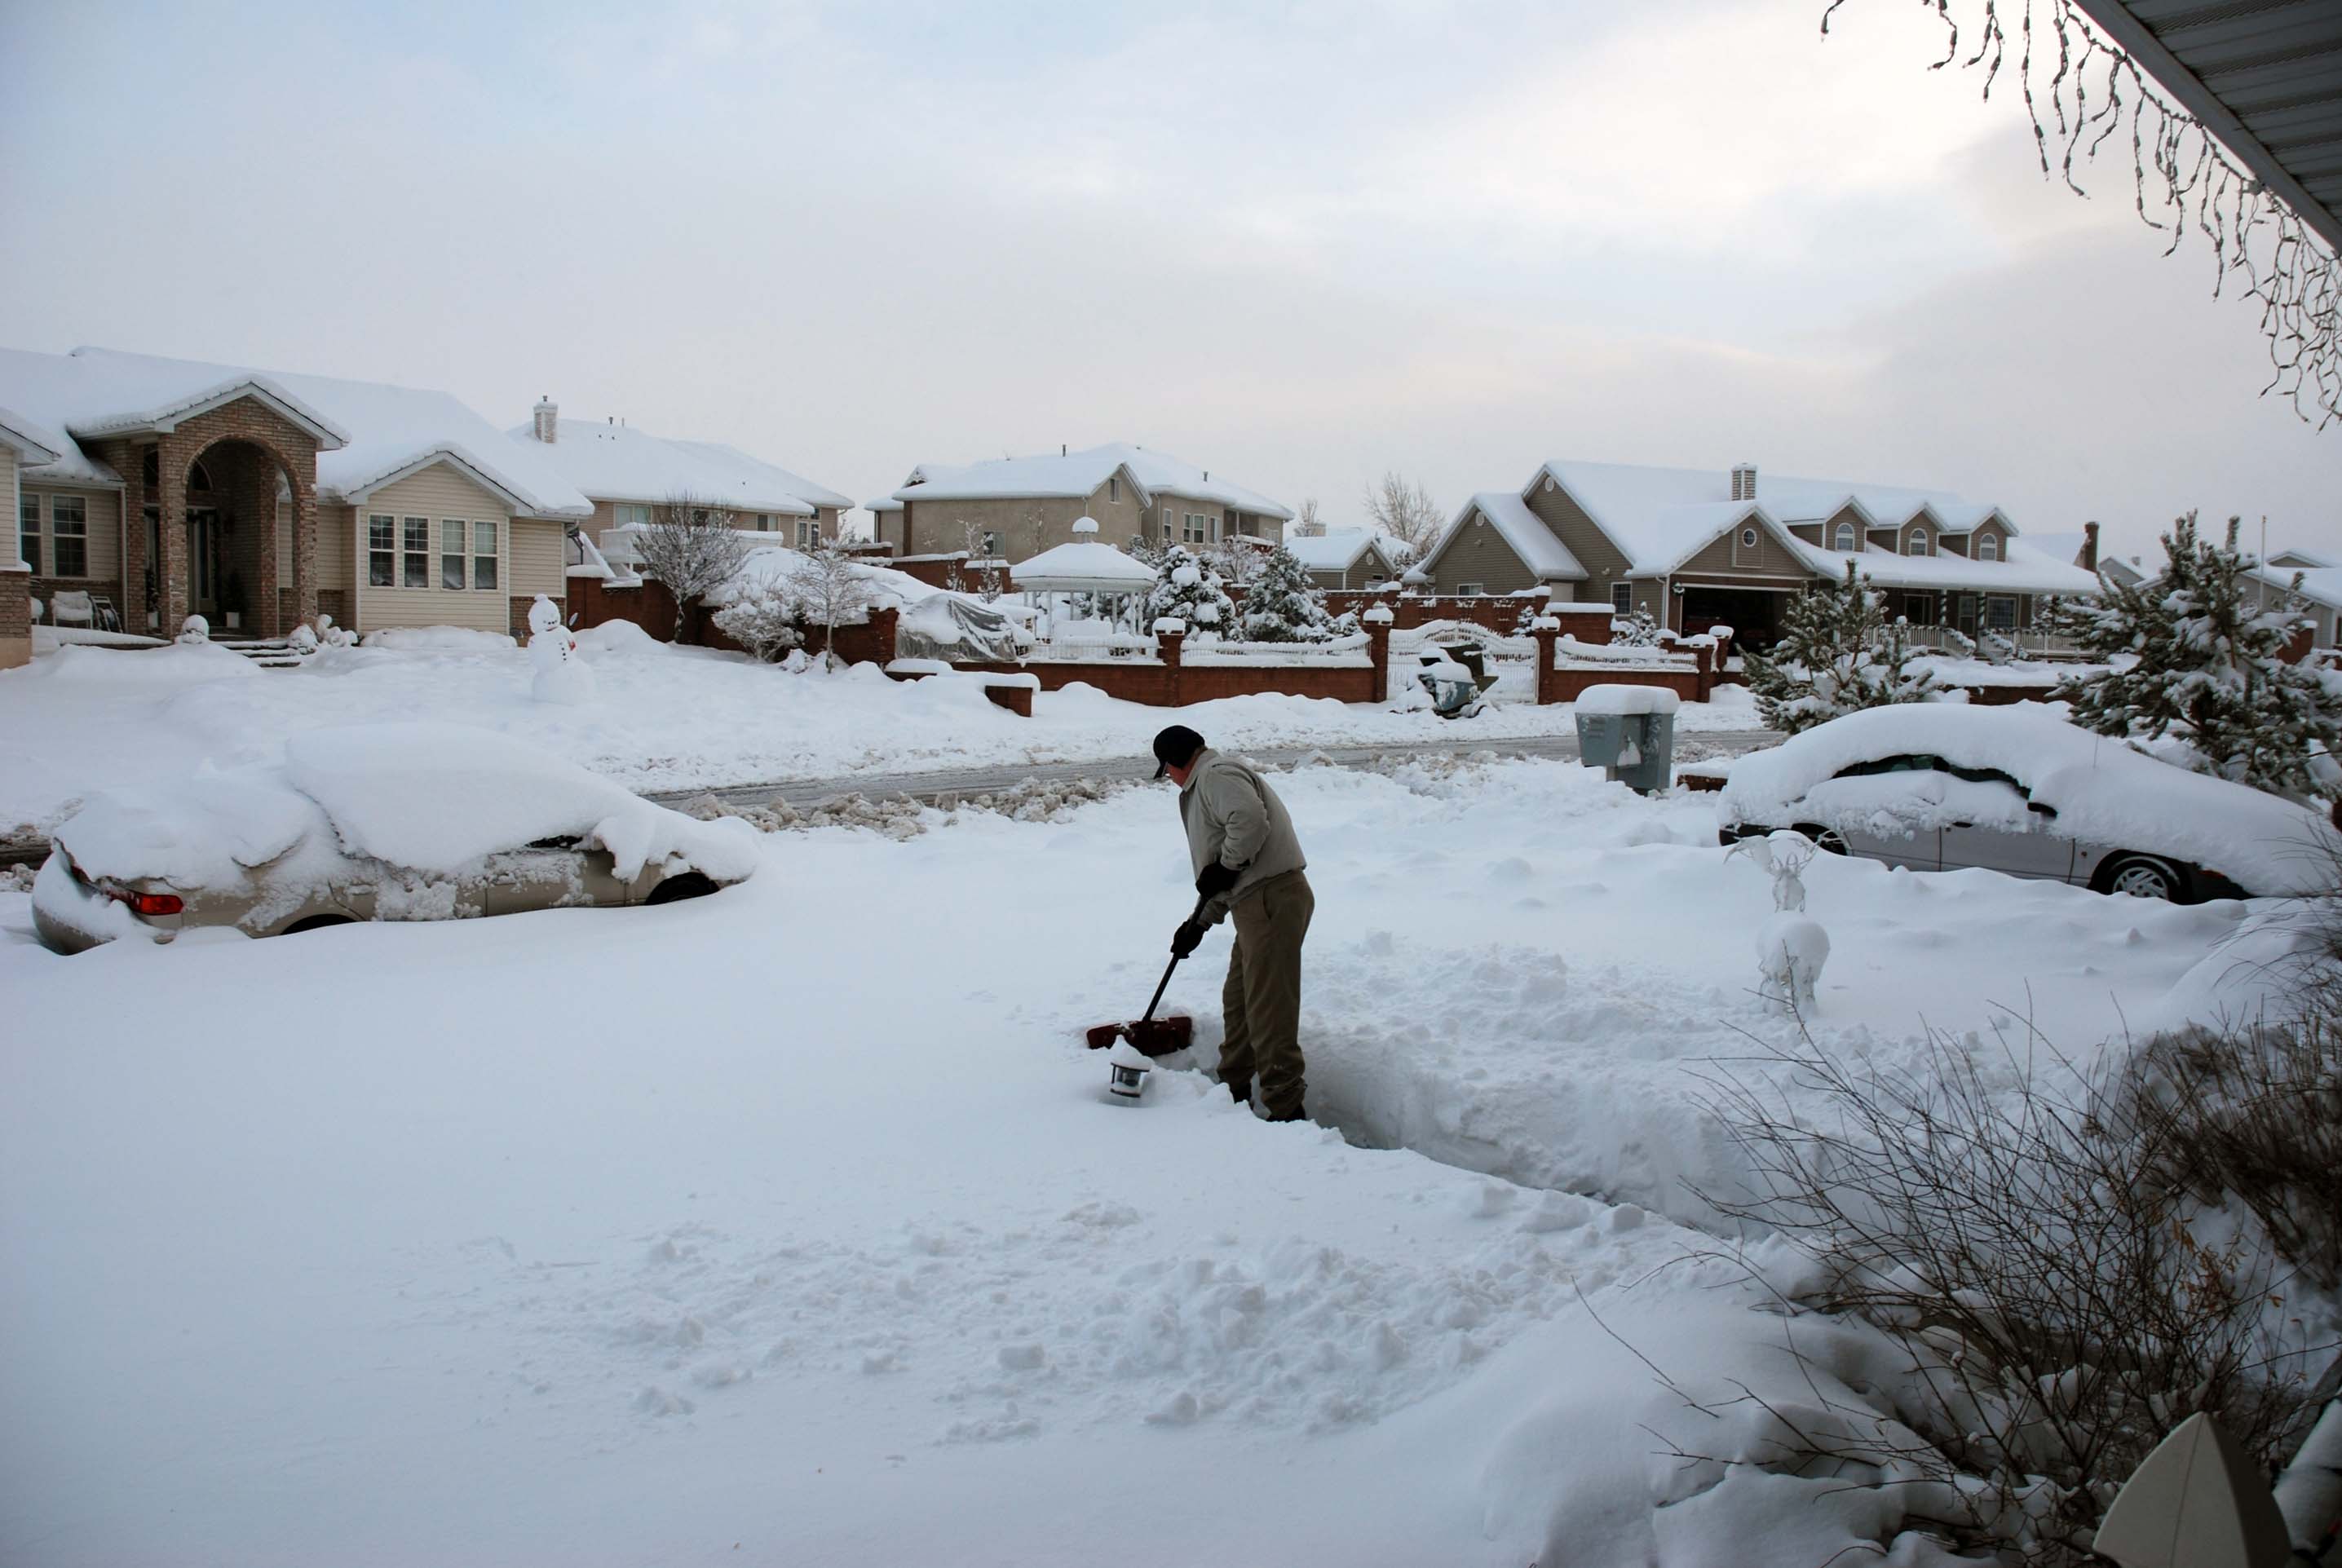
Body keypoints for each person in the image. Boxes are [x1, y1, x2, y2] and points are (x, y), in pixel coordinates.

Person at [1153, 724, 1314, 1122]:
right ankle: (1233, 1092)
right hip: (1254, 902)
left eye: (1167, 769)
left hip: (1270, 898)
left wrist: (1226, 866)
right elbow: (1222, 875)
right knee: (1239, 1001)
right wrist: (1198, 923)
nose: (1169, 777)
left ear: (1177, 760)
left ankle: (1286, 1109)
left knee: (1269, 1009)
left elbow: (1249, 823)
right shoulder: (1207, 782)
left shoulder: (1215, 774)